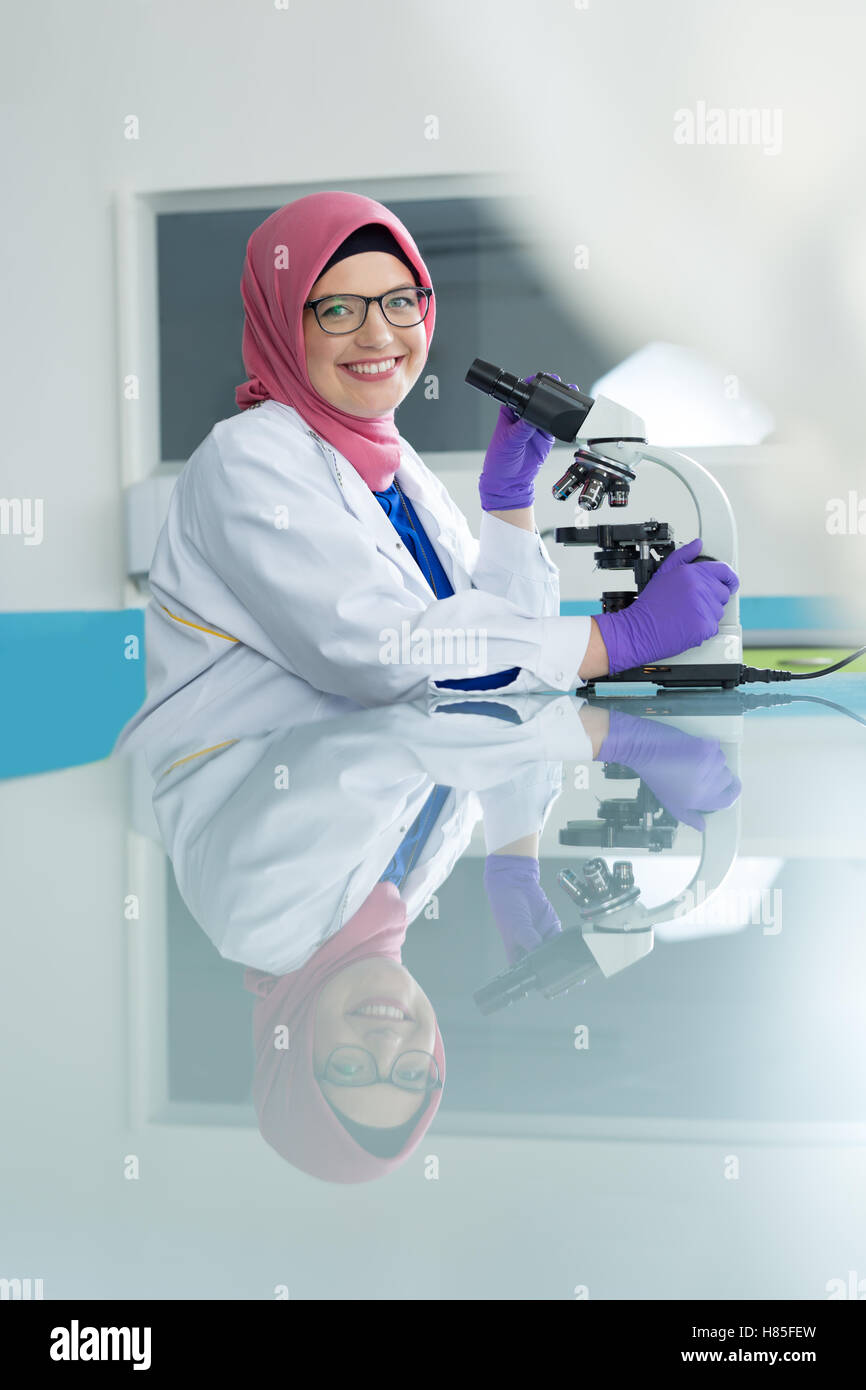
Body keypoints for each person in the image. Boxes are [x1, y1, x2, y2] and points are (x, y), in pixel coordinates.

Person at [122, 189, 739, 729]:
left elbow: (495, 657)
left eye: (399, 300)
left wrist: (508, 506)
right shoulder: (246, 459)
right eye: (338, 309)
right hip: (250, 809)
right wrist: (621, 637)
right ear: (284, 325)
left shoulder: (397, 469)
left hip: (368, 822)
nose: (378, 335)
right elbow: (382, 655)